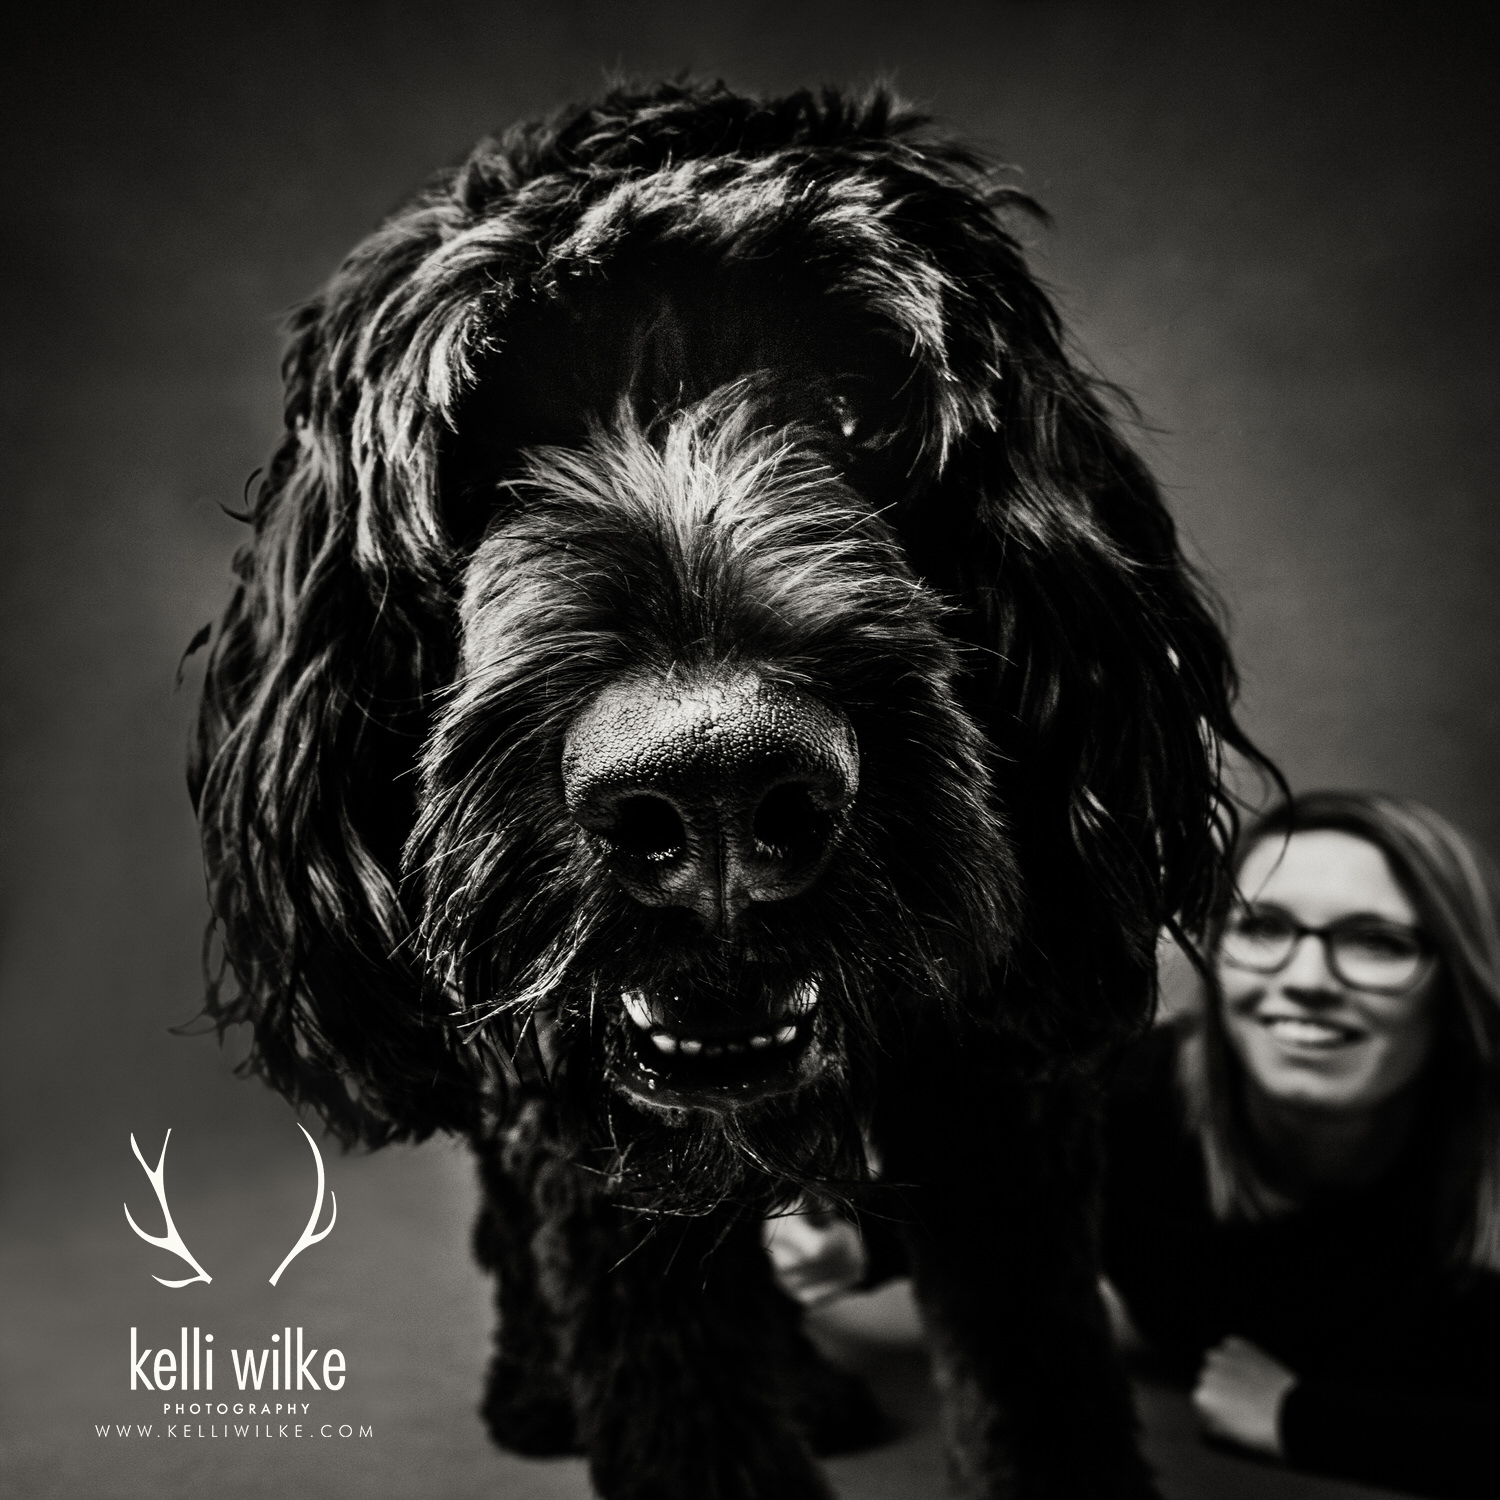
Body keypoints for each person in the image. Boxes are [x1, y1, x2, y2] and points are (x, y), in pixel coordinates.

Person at [1102, 791, 1500, 1498]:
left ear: (1456, 983)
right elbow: (968, 1190)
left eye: (1379, 942)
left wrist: (1300, 1417)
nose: (1307, 981)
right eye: (1263, 928)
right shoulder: (1133, 1098)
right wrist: (854, 1247)